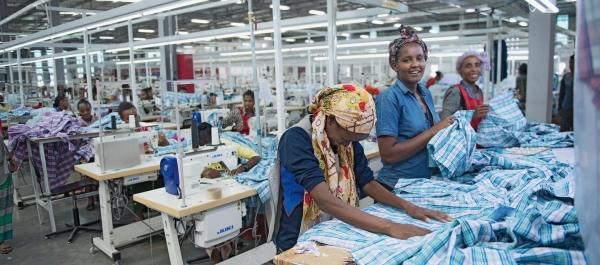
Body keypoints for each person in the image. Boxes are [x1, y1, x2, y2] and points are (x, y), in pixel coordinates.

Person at [275, 84, 452, 253]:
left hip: (330, 226)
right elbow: (324, 200)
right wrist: (390, 227)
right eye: (344, 139)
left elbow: (366, 181)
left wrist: (407, 207)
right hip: (298, 231)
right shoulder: (297, 139)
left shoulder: (348, 141)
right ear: (330, 120)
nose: (347, 145)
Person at [375, 25, 455, 188]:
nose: (415, 64)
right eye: (407, 60)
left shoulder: (426, 94)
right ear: (394, 65)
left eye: (420, 58)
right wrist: (433, 130)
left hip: (423, 182)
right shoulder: (389, 98)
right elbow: (388, 155)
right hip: (396, 186)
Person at [196, 122, 261, 262]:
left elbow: (256, 156)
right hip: (204, 194)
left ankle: (225, 253)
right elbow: (183, 170)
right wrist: (202, 173)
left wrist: (241, 168)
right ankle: (218, 258)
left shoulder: (226, 145)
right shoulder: (192, 150)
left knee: (228, 214)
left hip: (227, 190)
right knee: (209, 219)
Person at [117, 102, 165, 221]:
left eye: (136, 116)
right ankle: (139, 218)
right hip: (133, 171)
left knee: (165, 179)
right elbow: (122, 156)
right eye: (128, 118)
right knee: (138, 184)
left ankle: (165, 212)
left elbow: (165, 145)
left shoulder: (147, 128)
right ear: (122, 119)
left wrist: (162, 140)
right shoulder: (121, 134)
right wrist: (140, 152)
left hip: (151, 166)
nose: (134, 119)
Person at [439, 51, 492, 131]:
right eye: (468, 66)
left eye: (477, 65)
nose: (474, 69)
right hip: (462, 141)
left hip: (476, 140)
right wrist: (470, 115)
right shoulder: (455, 91)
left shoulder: (478, 91)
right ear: (460, 69)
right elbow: (443, 122)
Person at [77, 99, 99, 210]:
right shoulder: (76, 123)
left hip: (98, 149)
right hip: (85, 152)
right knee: (87, 175)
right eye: (82, 110)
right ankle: (90, 199)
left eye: (87, 110)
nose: (85, 112)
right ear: (79, 112)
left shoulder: (98, 120)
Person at [0, 133, 16, 254]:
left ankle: (2, 238)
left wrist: (10, 159)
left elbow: (2, 145)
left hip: (3, 171)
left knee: (4, 208)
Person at [558, 55, 575, 132]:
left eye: (573, 63)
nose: (571, 65)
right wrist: (559, 108)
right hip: (566, 107)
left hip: (578, 109)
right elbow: (562, 94)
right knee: (564, 131)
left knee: (577, 131)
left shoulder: (582, 78)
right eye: (570, 63)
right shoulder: (566, 77)